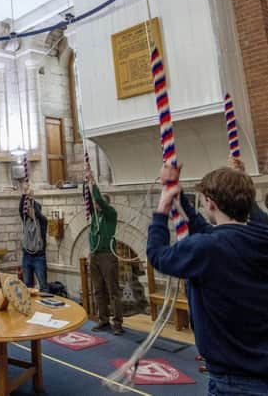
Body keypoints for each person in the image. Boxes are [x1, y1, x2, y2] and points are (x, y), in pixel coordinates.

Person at [148, 164, 268, 395]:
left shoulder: (208, 249)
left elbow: (157, 255)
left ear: (210, 203)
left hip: (235, 380)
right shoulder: (259, 235)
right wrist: (179, 197)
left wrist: (162, 207)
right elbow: (208, 231)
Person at [85, 171, 123, 335]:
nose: (95, 204)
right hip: (95, 255)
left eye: (98, 203)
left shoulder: (111, 214)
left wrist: (93, 182)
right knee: (98, 289)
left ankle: (118, 323)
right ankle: (103, 319)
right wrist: (86, 181)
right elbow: (87, 199)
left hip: (107, 255)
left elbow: (98, 198)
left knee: (112, 290)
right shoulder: (94, 216)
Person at [19, 183, 49, 292]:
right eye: (27, 209)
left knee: (43, 285)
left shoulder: (42, 221)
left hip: (39, 257)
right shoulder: (25, 220)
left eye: (30, 209)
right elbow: (21, 208)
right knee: (27, 285)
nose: (27, 210)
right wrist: (24, 194)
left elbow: (37, 212)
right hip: (27, 256)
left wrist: (31, 199)